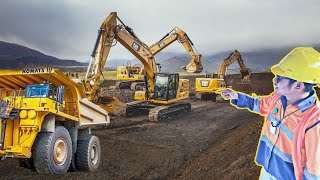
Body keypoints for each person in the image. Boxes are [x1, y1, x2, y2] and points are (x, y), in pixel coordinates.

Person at [219, 47, 320, 180]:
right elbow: (258, 104)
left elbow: (314, 173)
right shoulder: (277, 99)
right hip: (267, 171)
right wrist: (236, 96)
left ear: (298, 85)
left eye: (280, 77)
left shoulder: (314, 123)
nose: (274, 81)